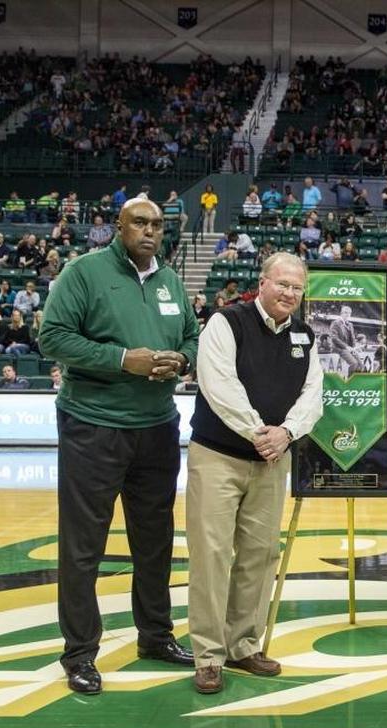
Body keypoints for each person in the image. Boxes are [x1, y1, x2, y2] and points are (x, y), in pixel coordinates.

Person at [38, 198, 199, 694]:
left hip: (157, 427)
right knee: (83, 546)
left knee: (155, 542)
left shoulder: (171, 281)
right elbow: (52, 338)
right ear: (119, 226)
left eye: (157, 224)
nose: (150, 231)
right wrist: (122, 358)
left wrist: (182, 360)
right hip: (94, 424)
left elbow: (193, 337)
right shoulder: (84, 273)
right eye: (140, 223)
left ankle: (155, 635)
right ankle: (80, 654)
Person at [186, 252, 324, 694]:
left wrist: (285, 433)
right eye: (281, 284)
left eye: (296, 287)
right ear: (262, 283)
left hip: (271, 460)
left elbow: (313, 396)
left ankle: (244, 644)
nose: (288, 293)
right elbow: (218, 382)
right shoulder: (227, 322)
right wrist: (257, 431)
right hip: (218, 457)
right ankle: (208, 656)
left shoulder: (305, 335)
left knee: (260, 555)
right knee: (211, 556)